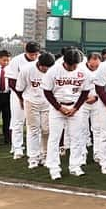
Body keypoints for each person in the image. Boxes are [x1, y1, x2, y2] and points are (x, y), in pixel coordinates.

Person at [42, 49, 92, 179]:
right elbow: (47, 92)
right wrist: (59, 107)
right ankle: (54, 167)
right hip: (57, 106)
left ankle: (75, 166)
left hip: (75, 106)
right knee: (55, 137)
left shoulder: (83, 72)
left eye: (76, 64)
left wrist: (76, 108)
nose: (73, 67)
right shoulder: (53, 71)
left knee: (76, 137)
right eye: (71, 65)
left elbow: (85, 92)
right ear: (65, 62)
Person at [15, 52, 55, 169]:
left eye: (49, 67)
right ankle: (33, 157)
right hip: (31, 101)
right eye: (44, 67)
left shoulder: (53, 71)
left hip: (47, 103)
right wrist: (21, 100)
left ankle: (45, 155)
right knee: (33, 129)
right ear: (39, 63)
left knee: (46, 130)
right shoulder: (27, 70)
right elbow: (19, 88)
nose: (46, 69)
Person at [6, 41, 41, 157]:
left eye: (36, 54)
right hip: (17, 94)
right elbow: (11, 81)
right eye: (32, 54)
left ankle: (37, 148)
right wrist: (21, 98)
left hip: (35, 94)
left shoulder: (41, 59)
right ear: (26, 52)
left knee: (36, 123)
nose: (34, 57)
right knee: (18, 121)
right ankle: (17, 148)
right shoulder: (17, 60)